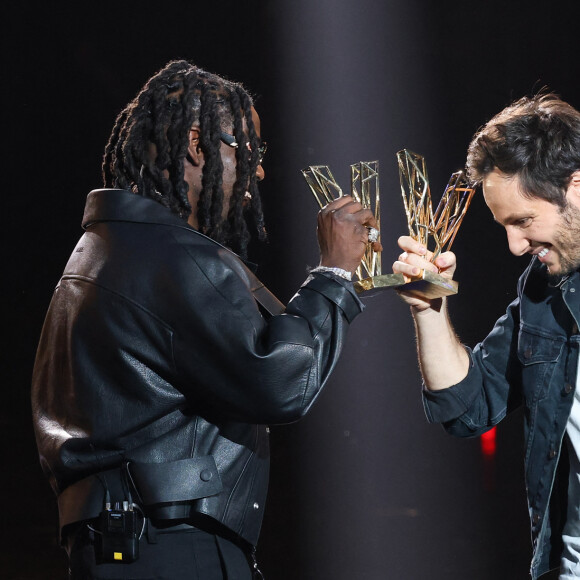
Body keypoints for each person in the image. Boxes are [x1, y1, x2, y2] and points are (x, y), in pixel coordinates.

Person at [31, 59, 380, 580]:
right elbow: (279, 379)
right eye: (252, 151)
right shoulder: (169, 255)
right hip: (171, 544)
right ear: (197, 144)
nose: (259, 171)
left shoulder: (101, 253)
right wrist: (333, 274)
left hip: (124, 541)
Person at [393, 93, 580, 580]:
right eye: (505, 226)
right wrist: (429, 310)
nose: (516, 245)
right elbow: (469, 406)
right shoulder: (544, 292)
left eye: (523, 221)